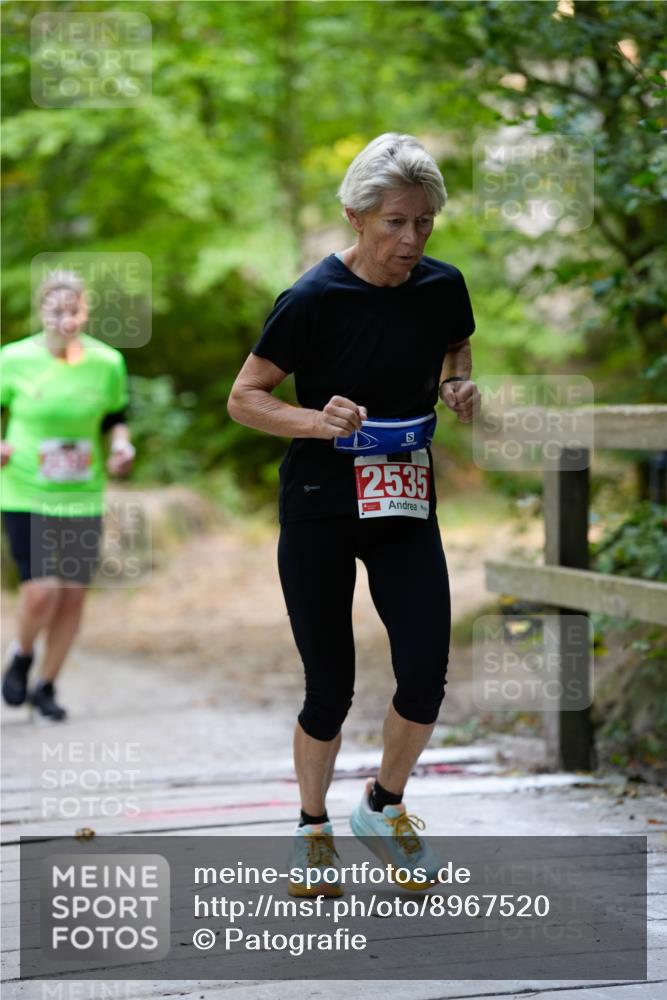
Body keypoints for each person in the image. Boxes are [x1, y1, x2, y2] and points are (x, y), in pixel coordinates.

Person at [228, 133, 478, 895]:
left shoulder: (442, 286)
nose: (411, 239)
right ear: (356, 216)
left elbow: (456, 348)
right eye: (395, 222)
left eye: (424, 222)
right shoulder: (311, 300)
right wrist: (314, 421)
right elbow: (244, 398)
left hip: (402, 499)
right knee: (328, 685)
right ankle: (311, 827)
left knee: (424, 672)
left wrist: (456, 385)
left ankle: (382, 805)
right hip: (321, 506)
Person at [1, 270, 135, 721]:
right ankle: (22, 654)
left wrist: (121, 446)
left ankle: (46, 686)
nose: (66, 319)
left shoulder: (107, 362)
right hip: (25, 489)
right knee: (42, 592)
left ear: (85, 310)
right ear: (40, 311)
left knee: (73, 594)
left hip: (81, 493)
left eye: (74, 310)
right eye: (56, 310)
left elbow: (115, 417)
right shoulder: (12, 359)